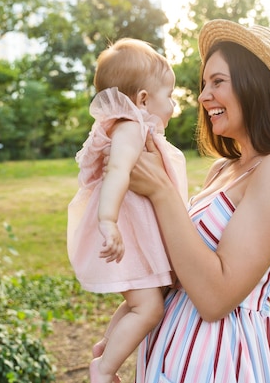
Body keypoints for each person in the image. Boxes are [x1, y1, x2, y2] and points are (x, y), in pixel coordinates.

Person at [125, 19, 270, 382]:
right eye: (204, 84)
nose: (204, 96)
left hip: (220, 360)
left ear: (257, 87)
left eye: (218, 82)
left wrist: (161, 192)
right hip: (169, 349)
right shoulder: (222, 170)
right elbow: (178, 268)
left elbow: (216, 298)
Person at [66, 38, 188, 383]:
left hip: (135, 232)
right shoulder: (131, 127)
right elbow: (117, 171)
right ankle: (103, 369)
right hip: (128, 234)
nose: (174, 104)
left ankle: (106, 347)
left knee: (144, 299)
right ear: (143, 100)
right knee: (148, 308)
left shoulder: (135, 127)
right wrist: (108, 222)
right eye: (170, 95)